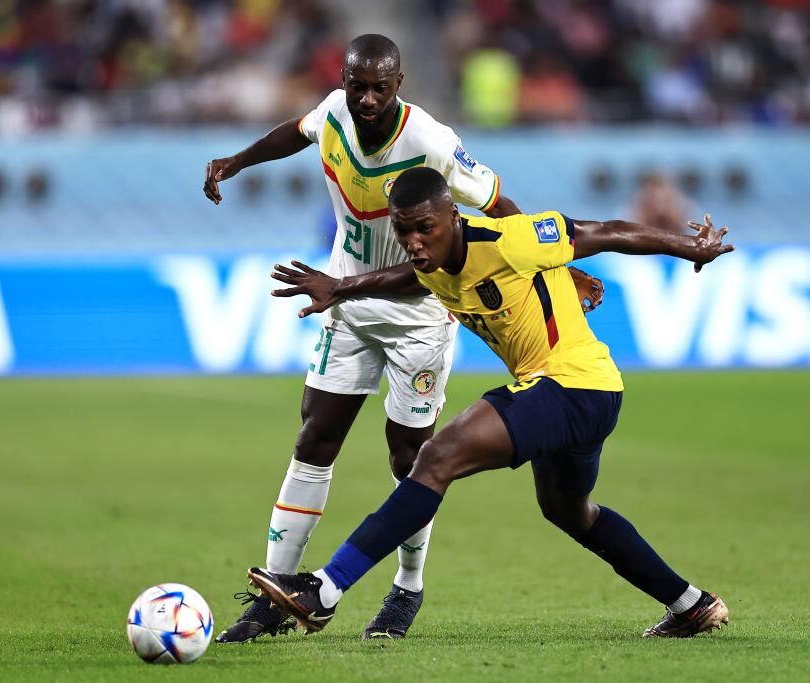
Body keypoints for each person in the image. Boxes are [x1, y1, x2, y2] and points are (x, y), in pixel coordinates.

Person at [203, 34, 602, 642]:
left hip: (420, 312)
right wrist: (236, 161)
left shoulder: (432, 143)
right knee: (315, 436)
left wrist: (556, 266)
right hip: (347, 297)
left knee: (409, 457)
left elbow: (499, 205)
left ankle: (406, 589)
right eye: (356, 85)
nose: (365, 99)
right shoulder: (334, 110)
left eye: (378, 88)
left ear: (398, 85)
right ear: (343, 79)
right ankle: (272, 598)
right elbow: (296, 130)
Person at [253, 167, 734, 638]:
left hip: (572, 383)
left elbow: (602, 231)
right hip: (581, 397)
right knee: (570, 512)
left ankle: (325, 589)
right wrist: (340, 287)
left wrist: (691, 247)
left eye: (426, 229)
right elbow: (408, 278)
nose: (416, 242)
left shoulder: (509, 239)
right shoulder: (433, 264)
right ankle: (691, 605)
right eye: (404, 231)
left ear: (454, 218)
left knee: (437, 457)